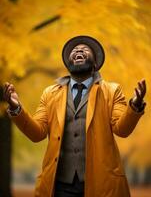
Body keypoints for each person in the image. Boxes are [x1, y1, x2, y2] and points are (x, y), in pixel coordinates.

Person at [3, 35, 146, 197]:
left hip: (101, 185)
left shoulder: (112, 91)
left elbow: (122, 129)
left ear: (95, 64)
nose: (78, 50)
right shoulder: (50, 94)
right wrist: (16, 109)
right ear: (68, 63)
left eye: (85, 50)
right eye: (74, 50)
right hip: (59, 186)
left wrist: (135, 105)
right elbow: (37, 133)